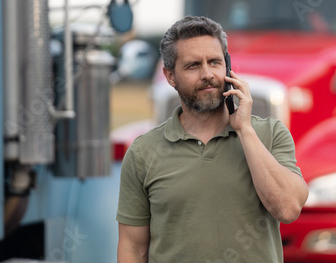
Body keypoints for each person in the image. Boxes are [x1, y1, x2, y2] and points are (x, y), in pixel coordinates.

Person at [116, 16, 308, 263]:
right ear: (170, 76)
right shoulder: (143, 152)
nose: (207, 74)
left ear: (227, 66)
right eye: (193, 65)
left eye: (215, 62)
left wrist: (245, 130)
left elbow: (288, 209)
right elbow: (132, 247)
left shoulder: (270, 133)